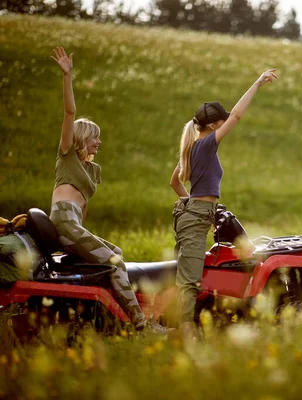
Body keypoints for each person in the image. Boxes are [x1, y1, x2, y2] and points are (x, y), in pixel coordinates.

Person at [48, 46, 168, 334]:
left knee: (116, 252)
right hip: (63, 219)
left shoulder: (93, 171)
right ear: (83, 139)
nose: (99, 143)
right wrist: (68, 76)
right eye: (95, 138)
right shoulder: (66, 155)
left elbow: (84, 208)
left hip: (74, 222)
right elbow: (69, 111)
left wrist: (83, 241)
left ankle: (109, 317)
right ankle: (141, 324)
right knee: (114, 262)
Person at [170, 69, 278, 338]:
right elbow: (238, 116)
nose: (227, 122)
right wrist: (256, 83)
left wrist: (193, 204)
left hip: (197, 213)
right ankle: (185, 332)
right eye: (223, 120)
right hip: (195, 216)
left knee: (196, 268)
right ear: (214, 125)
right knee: (190, 278)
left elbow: (174, 182)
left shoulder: (194, 146)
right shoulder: (205, 145)